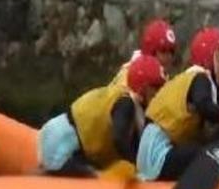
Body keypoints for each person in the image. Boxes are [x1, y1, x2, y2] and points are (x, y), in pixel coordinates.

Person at [135, 27, 219, 181]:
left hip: (163, 147)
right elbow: (208, 109)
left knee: (217, 140)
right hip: (156, 153)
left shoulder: (203, 83)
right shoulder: (199, 79)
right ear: (207, 59)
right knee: (206, 153)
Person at [38, 54, 166, 176]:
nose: (159, 92)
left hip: (62, 140)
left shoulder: (126, 99)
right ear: (142, 88)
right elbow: (119, 139)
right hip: (61, 147)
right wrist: (137, 167)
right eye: (155, 87)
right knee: (95, 177)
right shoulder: (126, 104)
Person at [110, 19, 178, 87]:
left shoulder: (164, 78)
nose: (169, 57)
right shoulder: (127, 79)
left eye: (171, 51)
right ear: (150, 52)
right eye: (163, 51)